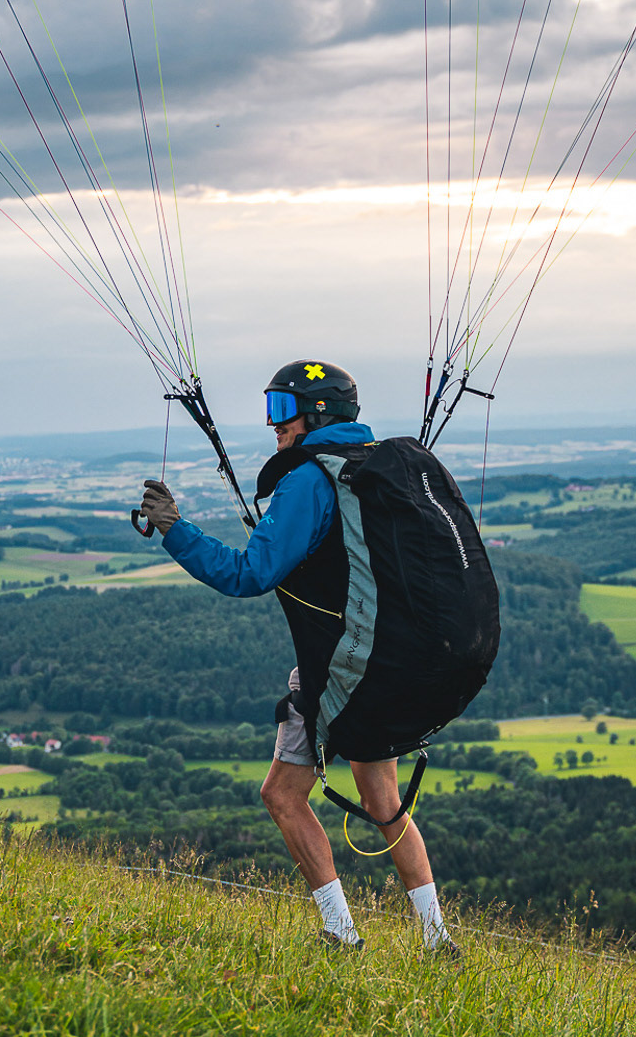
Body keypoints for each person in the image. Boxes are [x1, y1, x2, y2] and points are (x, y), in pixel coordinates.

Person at [137, 360, 457, 954]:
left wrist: (175, 529)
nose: (272, 424)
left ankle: (341, 934)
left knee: (283, 796)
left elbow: (247, 574)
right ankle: (438, 942)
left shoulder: (310, 480)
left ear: (318, 415)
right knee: (384, 801)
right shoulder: (378, 464)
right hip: (389, 661)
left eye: (282, 411)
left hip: (338, 666)